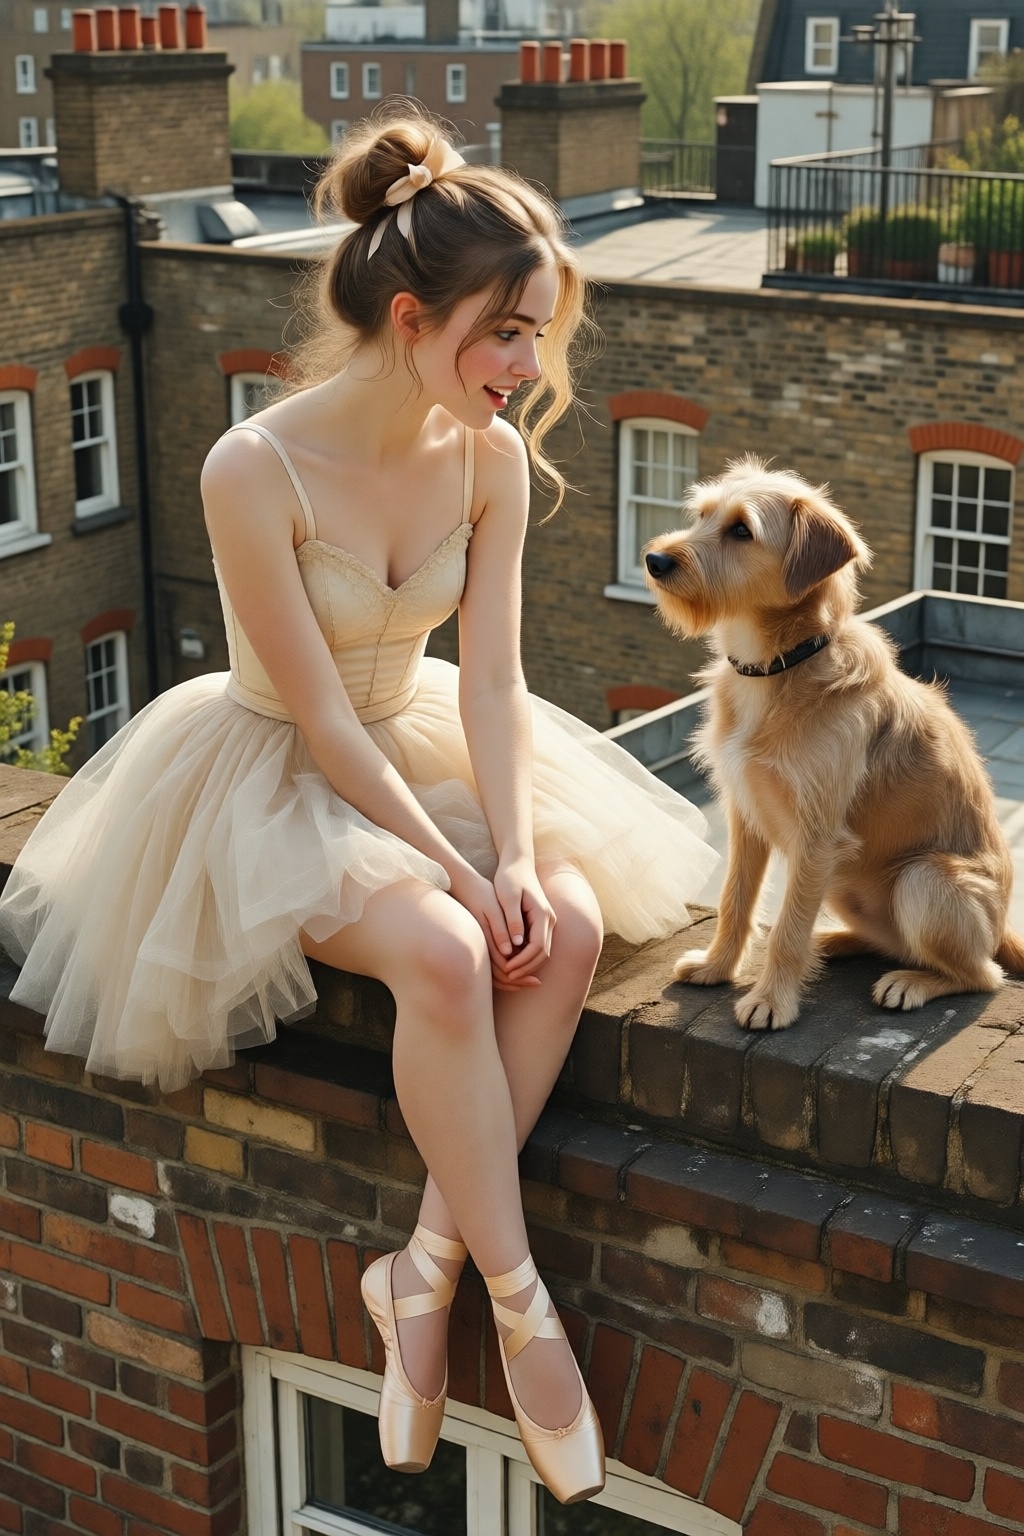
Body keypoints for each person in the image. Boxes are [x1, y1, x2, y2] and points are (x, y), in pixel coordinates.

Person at [0, 109, 716, 1504]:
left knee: (559, 927)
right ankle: (517, 1304)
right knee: (452, 952)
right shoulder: (250, 468)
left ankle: (420, 1271)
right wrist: (452, 871)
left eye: (539, 336)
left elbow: (498, 682)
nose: (530, 369)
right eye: (507, 335)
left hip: (432, 739)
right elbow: (322, 716)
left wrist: (508, 847)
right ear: (411, 314)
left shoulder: (491, 458)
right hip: (276, 771)